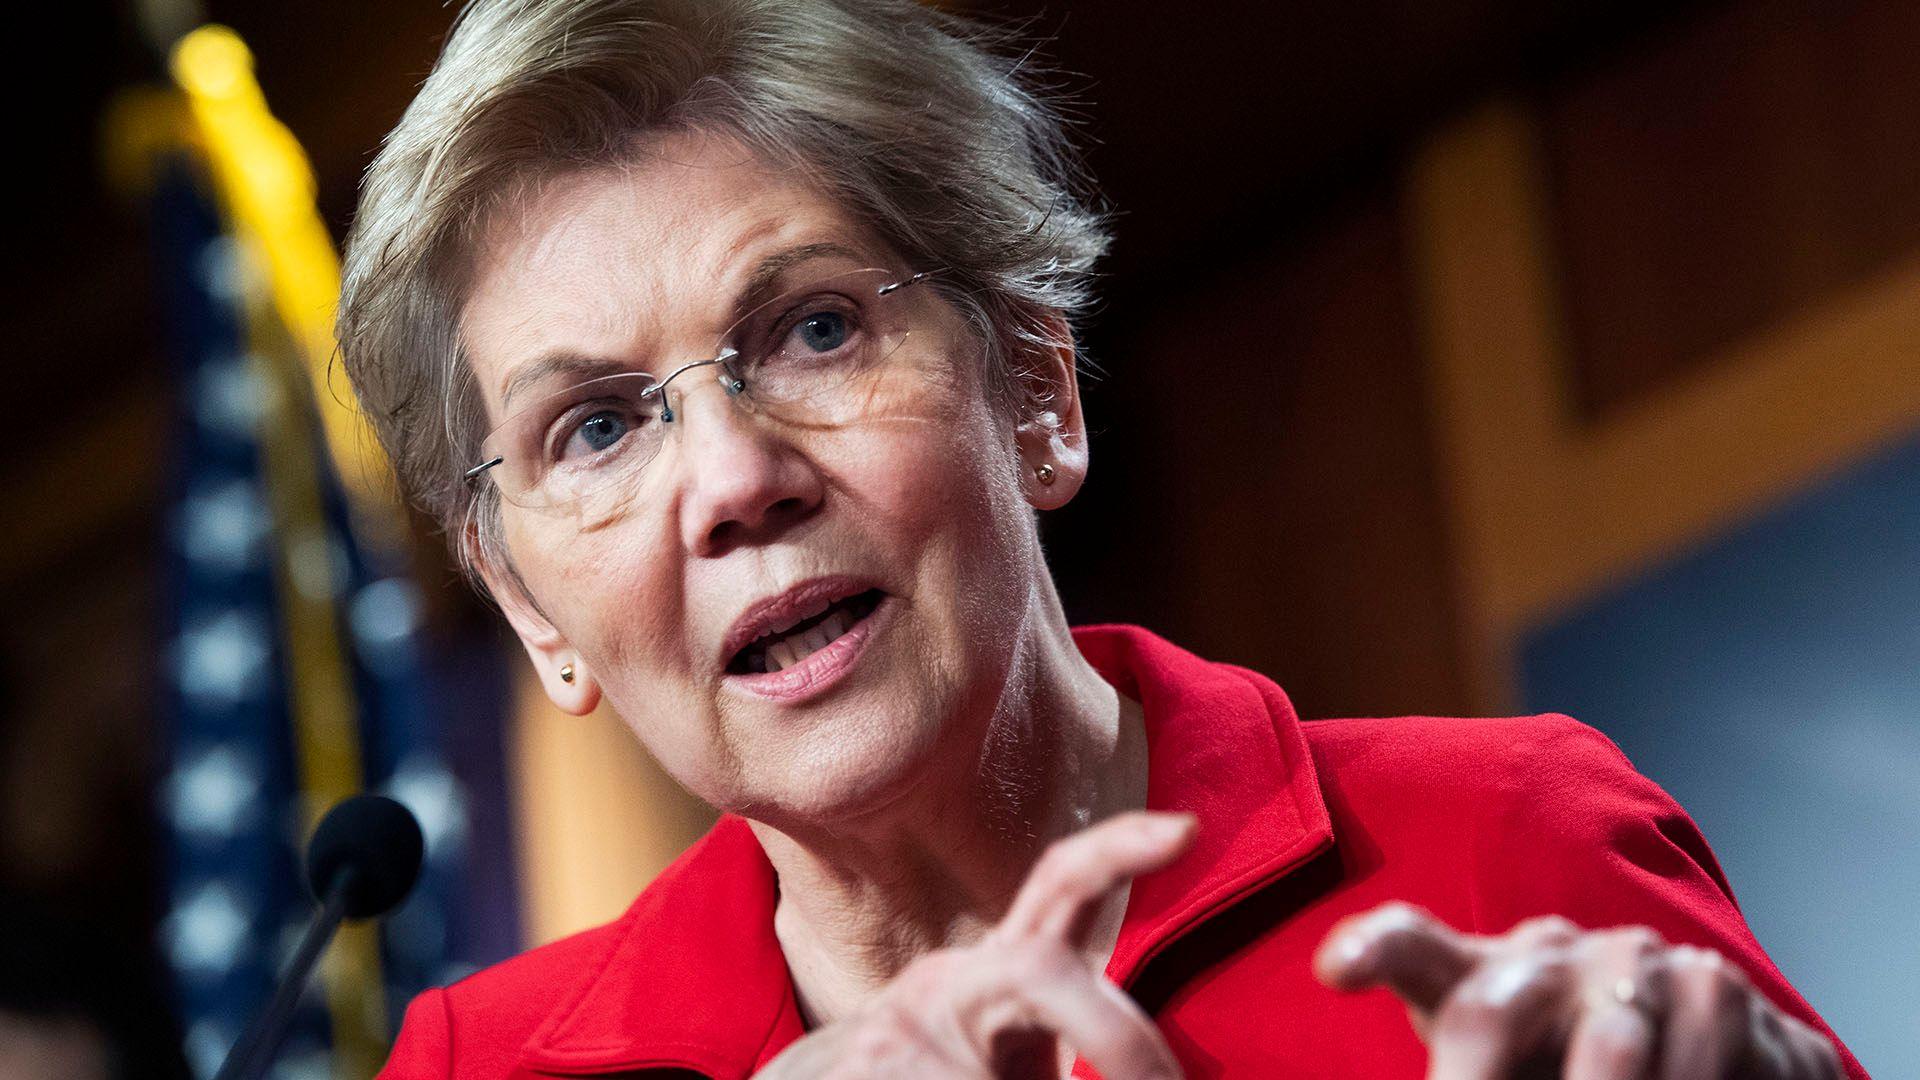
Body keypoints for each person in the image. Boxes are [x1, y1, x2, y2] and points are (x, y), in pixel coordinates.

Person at [337, 1, 1863, 1076]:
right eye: (596, 428)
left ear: (1037, 393)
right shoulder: (485, 1068)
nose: (735, 477)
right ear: (533, 610)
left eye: (811, 330)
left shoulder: (1503, 848)